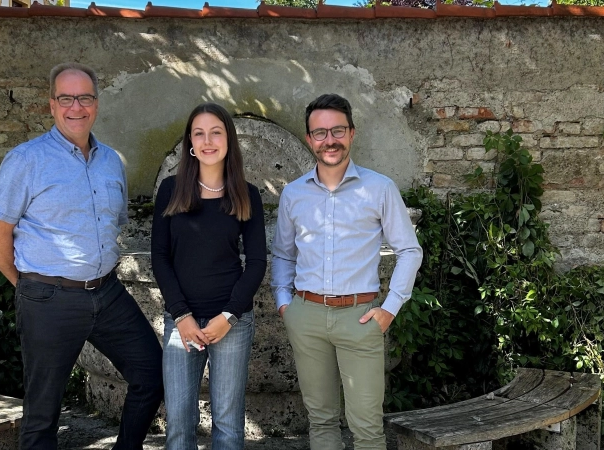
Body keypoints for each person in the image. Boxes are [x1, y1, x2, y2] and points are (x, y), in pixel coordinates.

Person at [0, 62, 163, 450]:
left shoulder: (112, 161)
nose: (75, 107)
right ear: (51, 105)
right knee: (42, 414)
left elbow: (113, 222)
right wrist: (27, 285)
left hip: (106, 292)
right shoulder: (27, 160)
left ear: (96, 104)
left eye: (84, 97)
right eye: (66, 98)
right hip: (48, 297)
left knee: (151, 372)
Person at [270, 93, 422, 450]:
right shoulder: (293, 194)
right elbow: (282, 255)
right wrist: (284, 304)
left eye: (337, 130)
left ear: (352, 133)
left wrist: (391, 308)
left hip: (360, 317)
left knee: (367, 428)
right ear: (309, 139)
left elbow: (410, 250)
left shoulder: (380, 188)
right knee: (321, 421)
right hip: (306, 316)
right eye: (319, 133)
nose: (329, 140)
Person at [151, 103, 267, 449]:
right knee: (178, 425)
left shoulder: (248, 195)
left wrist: (229, 315)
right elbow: (160, 258)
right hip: (181, 322)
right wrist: (181, 315)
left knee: (229, 425)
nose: (208, 140)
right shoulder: (172, 190)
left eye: (216, 132)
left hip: (231, 321)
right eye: (199, 133)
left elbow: (257, 262)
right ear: (190, 142)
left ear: (228, 139)